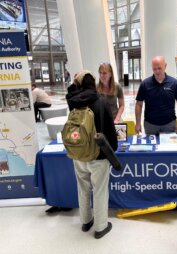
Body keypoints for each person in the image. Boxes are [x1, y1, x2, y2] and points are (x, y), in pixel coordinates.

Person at [65, 70, 117, 239]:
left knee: (83, 188)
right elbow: (109, 129)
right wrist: (112, 149)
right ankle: (101, 227)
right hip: (98, 155)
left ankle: (86, 221)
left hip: (78, 152)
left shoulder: (73, 102)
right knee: (99, 190)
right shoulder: (101, 101)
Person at [135, 56, 177, 135]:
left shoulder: (174, 83)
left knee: (169, 147)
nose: (157, 71)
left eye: (159, 68)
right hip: (150, 125)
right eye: (154, 69)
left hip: (169, 124)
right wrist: (138, 123)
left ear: (165, 66)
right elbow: (139, 104)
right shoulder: (145, 84)